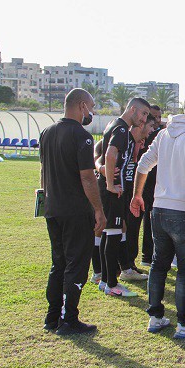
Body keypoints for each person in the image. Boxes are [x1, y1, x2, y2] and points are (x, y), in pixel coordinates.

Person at [131, 93, 185, 338]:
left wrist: (137, 195)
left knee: (159, 265)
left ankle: (155, 317)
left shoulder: (163, 133)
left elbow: (143, 164)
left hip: (160, 209)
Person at [40, 88, 106, 335]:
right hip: (76, 211)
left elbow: (43, 171)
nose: (92, 112)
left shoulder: (47, 132)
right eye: (91, 107)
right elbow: (88, 177)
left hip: (53, 208)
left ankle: (52, 317)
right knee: (76, 264)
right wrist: (98, 210)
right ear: (81, 106)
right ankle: (69, 319)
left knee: (58, 263)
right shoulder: (82, 136)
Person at [97, 98, 150, 297]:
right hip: (113, 192)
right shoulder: (120, 129)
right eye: (143, 114)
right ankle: (112, 284)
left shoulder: (115, 125)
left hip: (112, 190)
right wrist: (110, 184)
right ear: (133, 109)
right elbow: (110, 153)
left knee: (108, 234)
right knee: (113, 236)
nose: (144, 119)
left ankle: (105, 280)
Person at [123, 116, 157, 273]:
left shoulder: (143, 142)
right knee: (125, 229)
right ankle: (123, 266)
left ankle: (129, 264)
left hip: (143, 193)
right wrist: (101, 167)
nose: (152, 130)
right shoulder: (124, 138)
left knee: (134, 228)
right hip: (127, 194)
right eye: (151, 125)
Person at [139, 105, 165, 266]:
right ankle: (146, 256)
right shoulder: (147, 134)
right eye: (154, 117)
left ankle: (154, 255)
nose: (157, 120)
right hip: (146, 183)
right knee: (148, 221)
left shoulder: (159, 133)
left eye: (159, 117)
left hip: (158, 182)